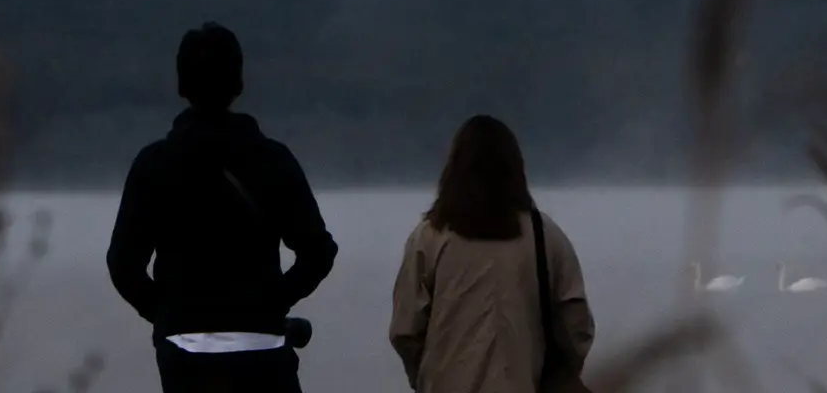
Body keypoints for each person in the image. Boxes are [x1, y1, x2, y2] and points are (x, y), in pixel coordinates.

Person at [107, 23, 341, 392]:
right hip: (263, 349)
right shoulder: (273, 160)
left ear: (181, 86)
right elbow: (318, 252)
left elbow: (122, 265)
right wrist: (271, 302)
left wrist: (170, 315)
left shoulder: (153, 164)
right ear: (239, 83)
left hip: (184, 355)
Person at [390, 115, 592, 393]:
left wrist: (425, 377)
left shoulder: (429, 238)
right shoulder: (545, 236)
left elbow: (406, 331)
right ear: (515, 168)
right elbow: (575, 323)